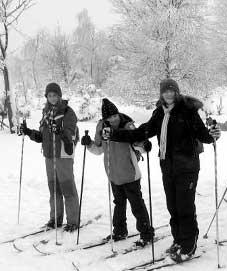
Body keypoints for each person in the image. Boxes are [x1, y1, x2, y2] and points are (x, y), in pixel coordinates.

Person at [107, 79, 220, 262]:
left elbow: (203, 135)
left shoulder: (187, 111)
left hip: (187, 166)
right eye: (165, 91)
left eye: (171, 91)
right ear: (161, 94)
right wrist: (115, 134)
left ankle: (188, 245)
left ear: (176, 92)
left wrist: (213, 134)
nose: (168, 94)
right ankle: (178, 239)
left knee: (185, 206)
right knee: (173, 206)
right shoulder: (160, 112)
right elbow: (143, 132)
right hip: (167, 165)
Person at [80, 98, 154, 246]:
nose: (113, 119)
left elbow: (139, 144)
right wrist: (89, 144)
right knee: (118, 204)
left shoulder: (127, 126)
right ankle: (120, 231)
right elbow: (99, 149)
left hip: (130, 174)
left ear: (118, 114)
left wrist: (145, 145)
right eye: (110, 117)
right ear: (105, 118)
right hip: (113, 174)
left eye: (115, 116)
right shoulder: (102, 127)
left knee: (137, 205)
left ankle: (146, 233)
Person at [20, 83, 80, 232]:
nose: (52, 98)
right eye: (50, 95)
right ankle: (55, 219)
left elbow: (70, 133)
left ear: (59, 96)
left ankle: (73, 221)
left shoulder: (67, 112)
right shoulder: (46, 112)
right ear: (47, 97)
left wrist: (59, 130)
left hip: (63, 155)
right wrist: (28, 132)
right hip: (49, 155)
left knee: (67, 188)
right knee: (54, 189)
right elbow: (42, 136)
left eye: (55, 95)